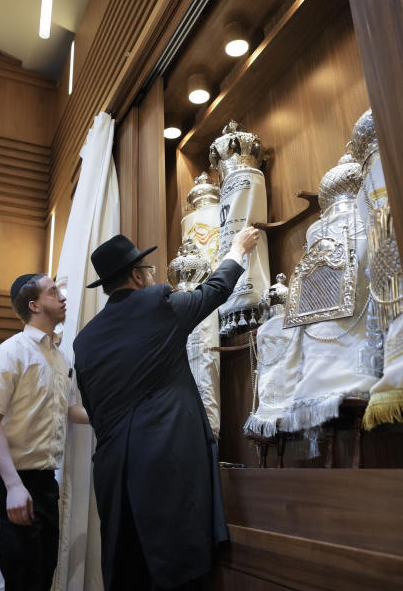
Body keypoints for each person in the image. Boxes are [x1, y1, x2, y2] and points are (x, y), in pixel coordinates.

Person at [73, 226, 261, 590]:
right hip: (165, 462)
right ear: (136, 275)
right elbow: (215, 290)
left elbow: (95, 411)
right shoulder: (158, 305)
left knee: (130, 569)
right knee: (178, 569)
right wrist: (237, 248)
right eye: (147, 270)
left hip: (113, 472)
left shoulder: (84, 342)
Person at [0, 273, 90, 591]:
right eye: (53, 292)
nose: (63, 297)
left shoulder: (59, 357)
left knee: (43, 577)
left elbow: (69, 410)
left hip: (44, 482)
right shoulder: (10, 353)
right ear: (34, 305)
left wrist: (109, 415)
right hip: (9, 481)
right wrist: (13, 485)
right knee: (23, 581)